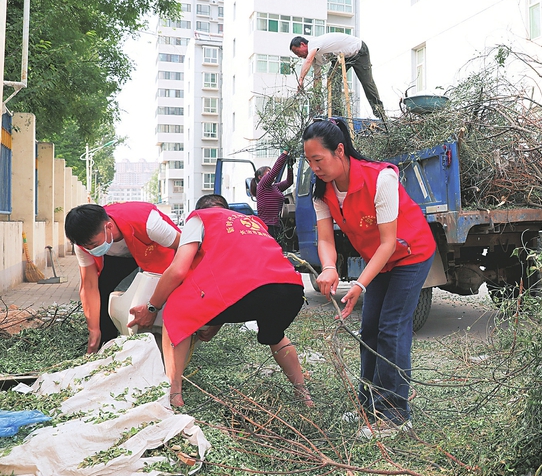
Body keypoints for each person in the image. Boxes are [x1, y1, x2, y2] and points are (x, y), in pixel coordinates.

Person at [302, 118, 436, 438]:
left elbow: (389, 242)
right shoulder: (322, 191)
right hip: (379, 259)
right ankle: (370, 405)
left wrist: (359, 284)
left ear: (340, 150)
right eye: (308, 161)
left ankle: (396, 414)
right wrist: (330, 267)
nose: (314, 168)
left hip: (410, 253)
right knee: (370, 329)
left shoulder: (381, 179)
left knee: (392, 327)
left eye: (318, 160)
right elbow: (325, 240)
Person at [127, 194, 311, 408]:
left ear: (199, 210)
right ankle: (304, 395)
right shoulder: (250, 222)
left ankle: (174, 394)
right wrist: (215, 321)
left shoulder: (199, 219)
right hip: (289, 289)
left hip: (246, 290)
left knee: (176, 309)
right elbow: (236, 271)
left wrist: (152, 307)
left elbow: (178, 270)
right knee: (275, 336)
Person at [64, 203, 180, 353]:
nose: (91, 250)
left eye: (94, 244)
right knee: (104, 290)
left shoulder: (149, 223)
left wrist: (154, 305)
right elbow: (89, 286)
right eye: (87, 247)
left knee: (158, 297)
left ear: (108, 227)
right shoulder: (84, 244)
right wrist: (94, 331)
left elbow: (185, 248)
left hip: (157, 252)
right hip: (118, 258)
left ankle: (168, 344)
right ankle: (107, 346)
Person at [290, 34, 387, 120]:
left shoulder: (314, 43)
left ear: (303, 44)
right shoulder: (316, 59)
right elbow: (317, 80)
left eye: (297, 52)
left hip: (358, 50)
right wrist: (317, 100)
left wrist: (301, 80)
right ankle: (336, 114)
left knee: (367, 83)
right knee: (332, 79)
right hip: (342, 57)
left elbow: (308, 60)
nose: (299, 56)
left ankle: (380, 113)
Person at [252, 150, 295, 242]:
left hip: (275, 225)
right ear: (260, 177)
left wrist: (290, 167)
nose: (271, 173)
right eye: (268, 172)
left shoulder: (275, 187)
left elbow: (289, 182)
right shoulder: (262, 185)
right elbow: (275, 171)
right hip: (267, 226)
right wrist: (285, 153)